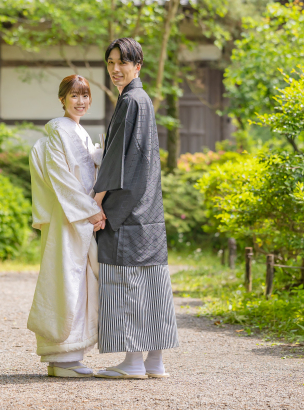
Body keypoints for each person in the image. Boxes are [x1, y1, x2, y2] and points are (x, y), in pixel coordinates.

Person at [92, 37, 179, 380]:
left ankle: (132, 361)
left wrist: (99, 202)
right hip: (148, 212)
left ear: (137, 66)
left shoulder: (131, 101)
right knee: (153, 285)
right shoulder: (142, 99)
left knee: (124, 283)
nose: (115, 69)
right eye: (111, 62)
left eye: (122, 63)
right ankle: (154, 361)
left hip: (127, 211)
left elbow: (118, 160)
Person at [27, 75, 106, 378]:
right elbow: (62, 179)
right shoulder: (59, 131)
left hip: (80, 217)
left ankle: (72, 353)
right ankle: (61, 357)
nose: (80, 101)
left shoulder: (80, 132)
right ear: (62, 99)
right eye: (74, 96)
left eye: (85, 96)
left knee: (81, 282)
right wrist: (90, 211)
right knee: (65, 280)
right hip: (67, 217)